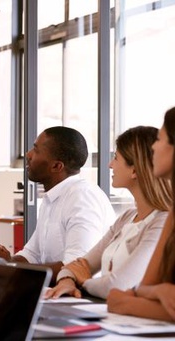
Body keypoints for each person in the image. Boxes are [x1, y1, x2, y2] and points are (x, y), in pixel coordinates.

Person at [44, 126, 171, 299]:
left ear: (134, 170)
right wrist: (67, 279)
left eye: (116, 158)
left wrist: (84, 280)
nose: (110, 165)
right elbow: (77, 265)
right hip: (109, 312)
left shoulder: (162, 221)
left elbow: (117, 286)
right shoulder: (127, 218)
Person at [0, 126, 116, 282]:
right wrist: (1, 262)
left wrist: (11, 269)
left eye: (36, 150)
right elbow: (32, 255)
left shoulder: (82, 198)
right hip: (55, 294)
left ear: (57, 166)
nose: (28, 155)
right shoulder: (51, 198)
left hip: (79, 298)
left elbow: (75, 267)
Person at [107, 107, 175, 322]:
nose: (153, 147)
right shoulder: (173, 213)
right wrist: (158, 291)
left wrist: (130, 301)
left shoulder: (162, 216)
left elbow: (121, 299)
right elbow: (144, 287)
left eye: (160, 139)